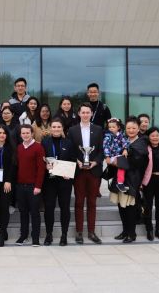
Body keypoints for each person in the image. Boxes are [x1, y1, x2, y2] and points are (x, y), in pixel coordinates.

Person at [68, 102, 104, 245]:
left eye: (87, 112)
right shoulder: (72, 130)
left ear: (91, 114)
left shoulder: (98, 129)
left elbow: (102, 150)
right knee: (78, 202)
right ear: (79, 114)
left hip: (93, 170)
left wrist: (95, 162)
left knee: (92, 202)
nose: (85, 115)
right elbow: (70, 149)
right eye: (82, 112)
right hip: (79, 171)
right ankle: (79, 232)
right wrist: (77, 161)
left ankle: (91, 231)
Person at [109, 116, 148, 243]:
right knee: (121, 206)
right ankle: (125, 231)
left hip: (132, 179)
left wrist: (117, 161)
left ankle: (132, 233)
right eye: (128, 128)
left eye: (134, 128)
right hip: (120, 179)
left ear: (138, 129)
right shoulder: (123, 141)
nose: (131, 130)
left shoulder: (141, 143)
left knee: (130, 207)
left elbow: (136, 162)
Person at [41, 118, 74, 246]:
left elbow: (72, 160)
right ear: (50, 129)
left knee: (65, 208)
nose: (56, 129)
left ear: (62, 128)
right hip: (49, 181)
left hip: (64, 181)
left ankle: (64, 235)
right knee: (49, 208)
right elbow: (41, 160)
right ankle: (49, 235)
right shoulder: (44, 143)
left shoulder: (68, 143)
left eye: (58, 127)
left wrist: (69, 173)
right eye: (53, 127)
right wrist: (45, 166)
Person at [15, 124, 45, 247]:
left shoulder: (38, 147)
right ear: (20, 134)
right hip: (21, 186)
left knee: (34, 212)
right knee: (23, 212)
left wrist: (38, 186)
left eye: (28, 133)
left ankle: (35, 237)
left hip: (34, 186)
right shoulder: (19, 148)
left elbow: (41, 168)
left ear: (32, 133)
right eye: (23, 133)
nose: (25, 135)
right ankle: (23, 235)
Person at [0, 125, 17, 247]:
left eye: (4, 133)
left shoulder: (11, 148)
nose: (2, 135)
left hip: (7, 182)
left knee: (5, 207)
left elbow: (13, 166)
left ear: (7, 135)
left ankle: (1, 234)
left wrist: (8, 180)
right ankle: (3, 230)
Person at [103, 118, 129, 193]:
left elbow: (126, 142)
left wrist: (125, 149)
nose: (111, 129)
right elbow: (105, 147)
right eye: (109, 127)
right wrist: (107, 157)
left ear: (118, 127)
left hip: (119, 156)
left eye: (113, 127)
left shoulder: (121, 135)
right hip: (111, 156)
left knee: (123, 167)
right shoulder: (107, 136)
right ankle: (120, 183)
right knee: (122, 166)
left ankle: (120, 182)